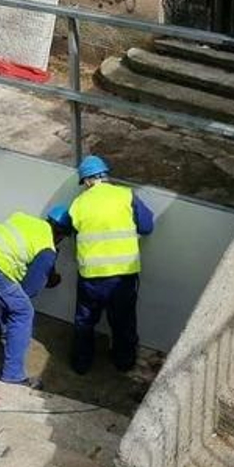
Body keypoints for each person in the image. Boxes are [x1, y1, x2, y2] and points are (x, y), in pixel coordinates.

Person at [59, 154, 155, 375]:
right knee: (123, 322)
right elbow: (147, 227)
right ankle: (124, 362)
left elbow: (69, 230)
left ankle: (81, 364)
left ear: (88, 181)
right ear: (105, 175)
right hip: (123, 277)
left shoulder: (78, 204)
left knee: (85, 322)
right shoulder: (126, 196)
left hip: (91, 278)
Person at [0, 207, 69, 388]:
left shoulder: (25, 219)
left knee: (3, 291)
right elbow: (29, 290)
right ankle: (13, 375)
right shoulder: (47, 250)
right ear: (62, 235)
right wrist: (47, 276)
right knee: (22, 310)